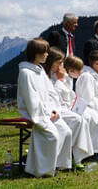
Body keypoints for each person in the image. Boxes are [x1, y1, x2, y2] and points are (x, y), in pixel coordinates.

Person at [17, 38, 72, 177]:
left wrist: (55, 110)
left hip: (47, 111)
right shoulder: (26, 72)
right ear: (36, 53)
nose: (47, 55)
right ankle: (40, 170)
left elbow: (51, 93)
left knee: (66, 132)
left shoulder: (40, 70)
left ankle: (57, 164)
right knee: (52, 136)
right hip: (35, 113)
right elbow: (31, 100)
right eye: (44, 52)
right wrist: (46, 115)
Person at [43, 47, 93, 168]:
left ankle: (78, 155)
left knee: (83, 118)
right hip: (52, 108)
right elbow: (53, 94)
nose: (61, 66)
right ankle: (74, 156)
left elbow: (68, 93)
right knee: (77, 120)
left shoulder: (59, 74)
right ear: (51, 62)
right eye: (59, 63)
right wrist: (60, 80)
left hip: (62, 107)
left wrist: (62, 80)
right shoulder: (45, 75)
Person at [63, 55, 98, 163]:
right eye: (78, 71)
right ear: (71, 70)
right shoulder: (64, 79)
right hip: (66, 109)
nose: (80, 73)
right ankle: (83, 152)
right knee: (86, 117)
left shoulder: (71, 78)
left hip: (73, 106)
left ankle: (96, 151)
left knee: (95, 115)